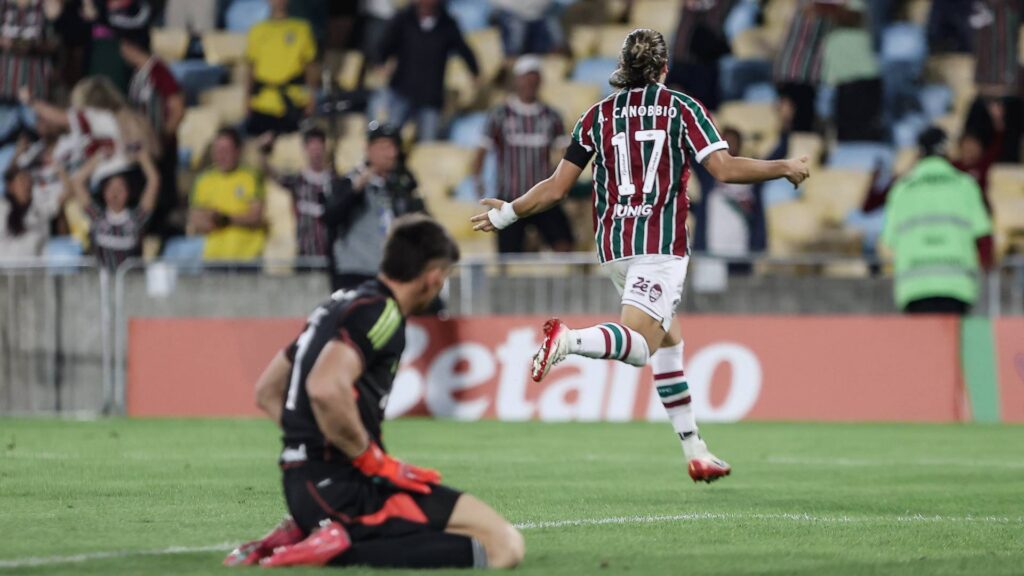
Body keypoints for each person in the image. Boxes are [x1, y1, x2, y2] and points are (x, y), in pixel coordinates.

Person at [471, 29, 809, 483]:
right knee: (641, 345)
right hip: (659, 244)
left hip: (614, 248)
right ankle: (569, 340)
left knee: (671, 342)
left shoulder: (595, 116)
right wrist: (783, 166)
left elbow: (555, 189)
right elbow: (724, 168)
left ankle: (697, 450)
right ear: (664, 68)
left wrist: (507, 214)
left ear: (622, 68)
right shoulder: (682, 108)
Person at [223, 215, 525, 570]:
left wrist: (310, 445)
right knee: (502, 548)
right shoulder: (383, 313)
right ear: (433, 276)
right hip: (347, 487)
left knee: (486, 540)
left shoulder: (337, 303)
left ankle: (308, 534)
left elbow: (268, 391)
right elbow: (324, 388)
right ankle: (334, 549)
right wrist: (371, 460)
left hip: (306, 482)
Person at [881, 127, 994, 316]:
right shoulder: (965, 185)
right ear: (948, 150)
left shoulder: (902, 189)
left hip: (914, 288)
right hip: (957, 287)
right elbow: (984, 239)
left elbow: (888, 242)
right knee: (954, 346)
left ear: (919, 152)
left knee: (922, 346)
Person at [472, 55, 572, 254]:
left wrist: (563, 183)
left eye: (534, 78)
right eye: (526, 78)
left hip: (543, 197)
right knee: (508, 254)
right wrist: (479, 181)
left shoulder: (552, 117)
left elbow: (564, 153)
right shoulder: (499, 115)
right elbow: (482, 151)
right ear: (517, 80)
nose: (530, 83)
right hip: (509, 198)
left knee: (565, 246)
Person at [324, 122, 426, 292]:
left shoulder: (401, 186)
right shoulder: (348, 182)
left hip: (390, 274)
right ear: (368, 149)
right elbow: (330, 217)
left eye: (394, 147)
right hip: (355, 274)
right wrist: (355, 190)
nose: (392, 154)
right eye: (385, 147)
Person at [376, 0, 480, 141]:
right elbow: (386, 44)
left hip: (430, 96)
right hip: (402, 90)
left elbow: (464, 49)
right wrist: (381, 61)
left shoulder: (447, 24)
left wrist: (474, 72)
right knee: (390, 136)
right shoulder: (404, 19)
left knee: (428, 143)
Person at [120, 31, 185, 240]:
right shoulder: (137, 73)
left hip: (159, 146)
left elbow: (177, 105)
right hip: (142, 147)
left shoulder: (157, 69)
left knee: (162, 194)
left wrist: (163, 136)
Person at [67, 150, 158, 270]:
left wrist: (142, 158)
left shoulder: (136, 219)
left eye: (121, 188)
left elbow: (154, 181)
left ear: (128, 192)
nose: (115, 193)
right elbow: (77, 182)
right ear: (104, 192)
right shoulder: (97, 217)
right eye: (111, 188)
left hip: (130, 283)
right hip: (101, 283)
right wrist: (98, 158)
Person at [257, 127, 338, 260]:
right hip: (304, 252)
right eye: (312, 148)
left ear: (325, 149)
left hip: (330, 254)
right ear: (305, 150)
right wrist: (263, 151)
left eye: (319, 148)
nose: (316, 153)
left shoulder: (335, 182)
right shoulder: (298, 181)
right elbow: (271, 173)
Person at [189, 128, 266, 262]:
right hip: (213, 258)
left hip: (246, 259)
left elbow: (256, 216)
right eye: (217, 150)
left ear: (237, 151)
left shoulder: (250, 177)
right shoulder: (203, 181)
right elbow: (195, 219)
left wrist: (226, 219)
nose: (221, 155)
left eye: (226, 151)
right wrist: (212, 218)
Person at [245, 0, 319, 136]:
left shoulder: (302, 28)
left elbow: (310, 67)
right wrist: (247, 99)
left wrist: (312, 97)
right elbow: (251, 68)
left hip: (294, 101)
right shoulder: (257, 30)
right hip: (263, 103)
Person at [0, 158, 67, 261]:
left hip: (34, 273)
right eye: (22, 181)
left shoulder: (40, 206)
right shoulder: (2, 207)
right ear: (11, 186)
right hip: (6, 272)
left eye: (29, 181)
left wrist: (60, 169)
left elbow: (67, 193)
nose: (27, 185)